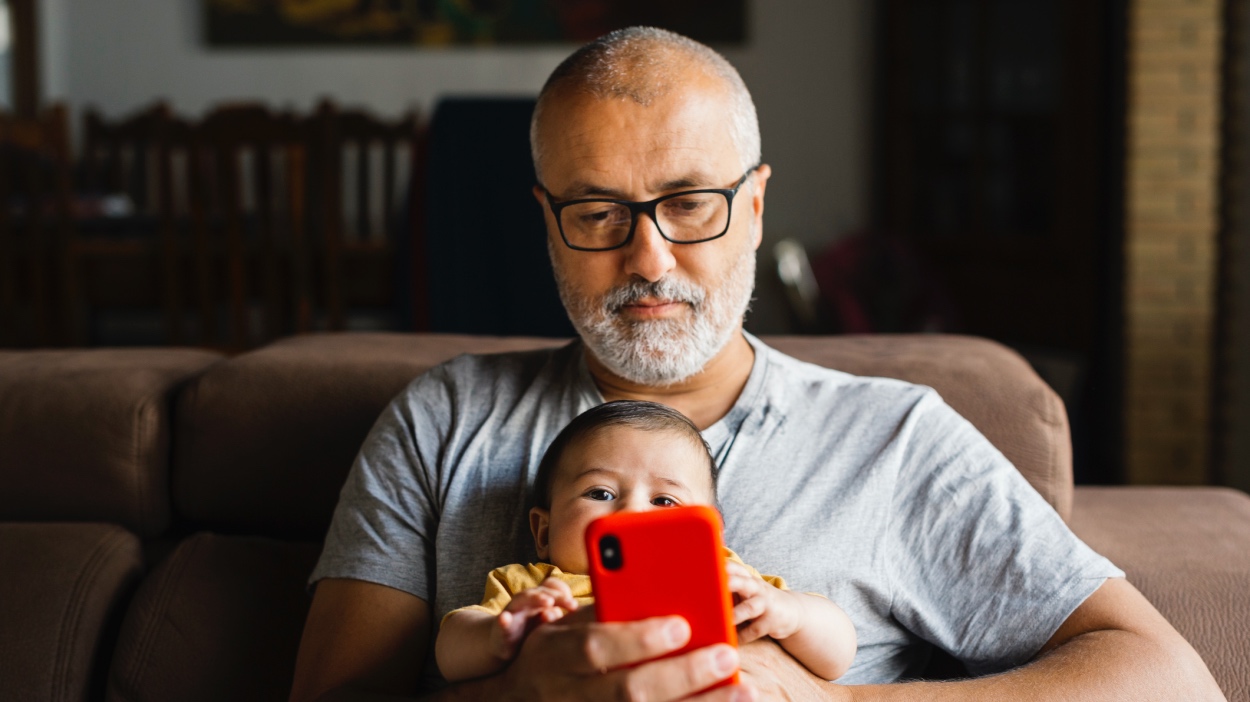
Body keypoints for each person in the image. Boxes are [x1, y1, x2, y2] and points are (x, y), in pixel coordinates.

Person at [289, 26, 1225, 702]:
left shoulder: (892, 436)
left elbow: (1171, 680)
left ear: (758, 204)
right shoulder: (442, 420)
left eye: (690, 203)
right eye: (597, 211)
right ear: (547, 222)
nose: (648, 258)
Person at [434, 400, 857, 683]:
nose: (633, 515)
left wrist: (792, 613)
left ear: (709, 532)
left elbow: (838, 655)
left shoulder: (725, 577)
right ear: (544, 532)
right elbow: (451, 649)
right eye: (600, 493)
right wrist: (498, 635)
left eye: (664, 500)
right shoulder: (536, 589)